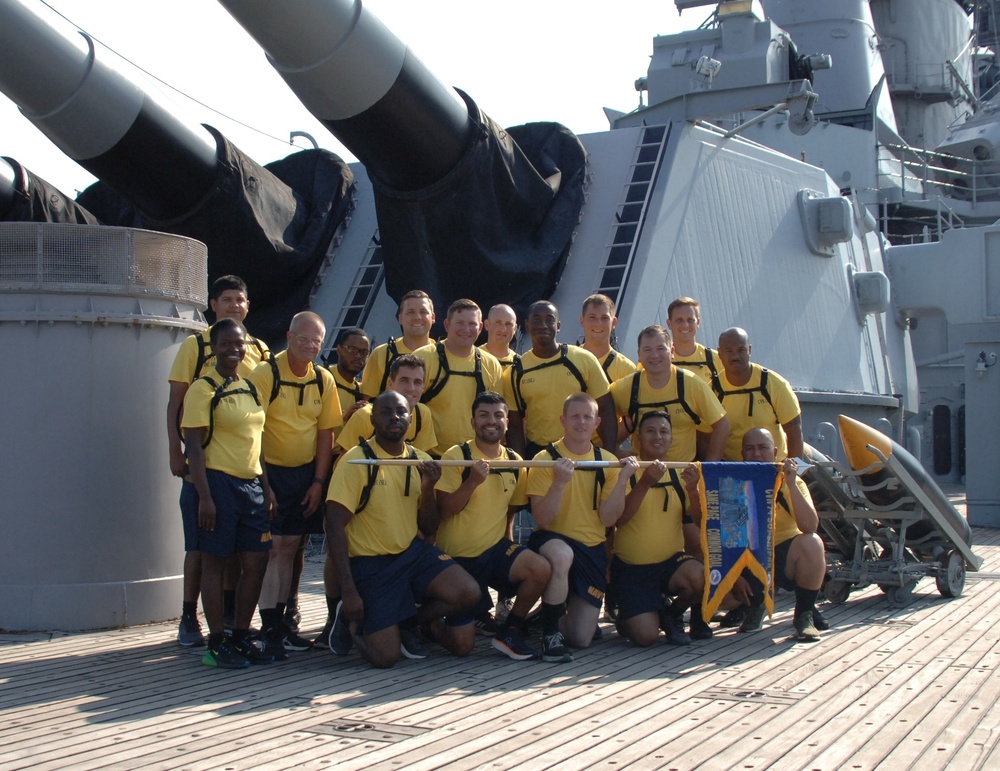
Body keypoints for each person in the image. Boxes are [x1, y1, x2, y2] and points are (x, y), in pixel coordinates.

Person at [324, 391, 481, 668]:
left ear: (411, 418)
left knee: (468, 592)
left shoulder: (420, 460)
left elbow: (430, 527)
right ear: (372, 418)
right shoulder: (357, 461)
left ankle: (408, 621)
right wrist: (347, 591)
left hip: (411, 554)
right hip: (371, 564)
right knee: (385, 658)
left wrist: (429, 489)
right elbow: (334, 527)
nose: (394, 417)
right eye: (385, 412)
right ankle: (349, 622)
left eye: (401, 411)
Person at [166, 274, 270, 648]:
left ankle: (231, 622)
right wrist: (174, 452)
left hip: (248, 475)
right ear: (213, 305)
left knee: (241, 555)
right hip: (207, 470)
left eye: (240, 300)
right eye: (226, 300)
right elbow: (176, 405)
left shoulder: (258, 350)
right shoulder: (196, 349)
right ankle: (190, 617)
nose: (234, 306)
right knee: (202, 548)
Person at [317, 354, 437, 646]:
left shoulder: (423, 415)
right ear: (390, 382)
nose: (411, 387)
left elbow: (416, 457)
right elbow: (344, 460)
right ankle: (336, 616)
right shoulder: (365, 415)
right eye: (404, 380)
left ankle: (402, 620)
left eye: (417, 382)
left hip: (400, 503)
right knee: (338, 538)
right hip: (360, 499)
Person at [181, 318, 275, 669]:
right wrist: (204, 497)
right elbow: (194, 448)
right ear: (214, 347)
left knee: (256, 561)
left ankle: (239, 634)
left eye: (240, 344)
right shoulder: (203, 389)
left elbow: (257, 443)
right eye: (226, 343)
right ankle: (216, 641)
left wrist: (266, 488)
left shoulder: (250, 389)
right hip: (217, 484)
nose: (234, 349)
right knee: (215, 562)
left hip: (250, 484)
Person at [247, 312, 340, 659]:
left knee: (290, 549)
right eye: (303, 339)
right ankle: (268, 626)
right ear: (289, 336)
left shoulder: (323, 379)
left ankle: (282, 626)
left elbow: (325, 433)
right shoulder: (266, 373)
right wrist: (264, 483)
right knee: (273, 550)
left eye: (316, 341)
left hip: (304, 475)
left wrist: (318, 481)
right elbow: (251, 432)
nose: (310, 346)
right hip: (269, 471)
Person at [434, 392, 553, 661]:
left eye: (498, 415)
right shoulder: (457, 455)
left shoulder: (515, 461)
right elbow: (443, 511)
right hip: (457, 559)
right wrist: (472, 482)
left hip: (493, 551)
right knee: (462, 647)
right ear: (473, 421)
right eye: (484, 415)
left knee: (540, 568)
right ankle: (427, 623)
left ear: (507, 422)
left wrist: (509, 543)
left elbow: (510, 509)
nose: (492, 421)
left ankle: (511, 630)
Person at [526, 393, 638, 661]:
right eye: (575, 416)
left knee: (581, 638)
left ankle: (544, 618)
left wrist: (623, 479)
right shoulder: (544, 459)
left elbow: (609, 520)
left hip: (591, 549)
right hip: (553, 542)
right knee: (563, 555)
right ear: (563, 420)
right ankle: (550, 634)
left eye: (587, 417)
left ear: (597, 422)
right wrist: (560, 482)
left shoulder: (608, 461)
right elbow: (542, 520)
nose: (581, 422)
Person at [712, 428, 828, 640]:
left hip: (785, 556)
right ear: (742, 454)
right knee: (713, 589)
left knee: (813, 543)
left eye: (762, 448)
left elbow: (810, 525)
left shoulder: (793, 481)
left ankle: (804, 615)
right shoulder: (734, 484)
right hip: (750, 559)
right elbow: (729, 540)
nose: (756, 454)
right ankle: (755, 605)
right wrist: (735, 578)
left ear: (775, 452)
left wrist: (790, 485)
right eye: (750, 449)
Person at [610, 411, 711, 646]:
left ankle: (671, 614)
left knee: (703, 577)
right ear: (637, 438)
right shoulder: (624, 471)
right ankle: (631, 614)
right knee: (646, 638)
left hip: (670, 565)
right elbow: (619, 520)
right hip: (632, 569)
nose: (658, 437)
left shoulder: (679, 472)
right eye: (650, 431)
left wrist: (694, 491)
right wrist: (645, 482)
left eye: (664, 432)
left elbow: (698, 521)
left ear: (671, 439)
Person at [504, 300, 617, 458]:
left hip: (581, 453)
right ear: (527, 326)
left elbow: (606, 409)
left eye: (550, 320)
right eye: (537, 320)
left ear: (558, 326)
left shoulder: (584, 360)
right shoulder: (515, 372)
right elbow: (515, 425)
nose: (543, 325)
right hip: (538, 455)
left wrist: (609, 456)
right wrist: (520, 467)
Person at [609, 325, 729, 462]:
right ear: (639, 355)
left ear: (672, 351)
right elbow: (599, 417)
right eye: (647, 350)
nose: (654, 355)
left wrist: (710, 468)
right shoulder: (625, 388)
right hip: (641, 474)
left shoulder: (692, 384)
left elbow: (722, 425)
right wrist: (616, 453)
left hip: (683, 475)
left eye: (661, 349)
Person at [415, 299, 503, 457]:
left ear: (481, 327)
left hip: (473, 458)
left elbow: (498, 415)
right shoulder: (423, 358)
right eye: (460, 323)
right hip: (427, 457)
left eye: (472, 324)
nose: (466, 329)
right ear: (447, 325)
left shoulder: (491, 365)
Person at [715, 327, 803, 461]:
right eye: (729, 351)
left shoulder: (775, 385)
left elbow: (795, 432)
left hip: (774, 471)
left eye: (741, 350)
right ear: (719, 353)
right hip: (732, 472)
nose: (735, 356)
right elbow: (705, 437)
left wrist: (794, 472)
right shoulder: (712, 390)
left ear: (749, 350)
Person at [359, 290, 435, 399]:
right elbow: (367, 400)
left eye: (423, 312)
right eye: (410, 312)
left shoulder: (443, 355)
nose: (417, 317)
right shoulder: (381, 354)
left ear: (433, 317)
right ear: (400, 318)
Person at [666, 297, 723, 389]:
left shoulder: (717, 360)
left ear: (698, 323)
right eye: (679, 320)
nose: (685, 325)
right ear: (669, 324)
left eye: (690, 320)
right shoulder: (658, 360)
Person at [579, 293, 637, 384]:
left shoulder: (627, 370)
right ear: (582, 321)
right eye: (592, 317)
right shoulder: (568, 359)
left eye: (604, 318)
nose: (598, 323)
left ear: (613, 323)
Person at [329, 326, 371, 424]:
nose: (358, 356)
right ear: (339, 350)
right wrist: (345, 415)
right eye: (352, 350)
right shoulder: (322, 378)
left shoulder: (362, 392)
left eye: (364, 352)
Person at [481, 303, 519, 369]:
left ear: (515, 328)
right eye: (498, 323)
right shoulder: (474, 358)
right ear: (487, 325)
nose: (503, 329)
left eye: (508, 324)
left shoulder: (520, 364)